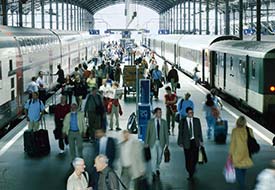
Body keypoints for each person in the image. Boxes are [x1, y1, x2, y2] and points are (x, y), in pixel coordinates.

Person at [177, 107, 203, 181]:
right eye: (190, 113)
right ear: (187, 113)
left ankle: (193, 168)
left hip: (195, 141)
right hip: (186, 142)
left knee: (195, 157)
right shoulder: (183, 121)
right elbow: (180, 133)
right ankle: (190, 171)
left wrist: (201, 140)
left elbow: (199, 131)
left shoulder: (197, 120)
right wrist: (180, 142)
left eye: (192, 113)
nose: (191, 114)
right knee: (188, 158)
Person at [229, 116, 254, 190]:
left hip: (237, 153)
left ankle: (242, 186)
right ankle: (242, 183)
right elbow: (252, 141)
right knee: (243, 169)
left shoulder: (235, 131)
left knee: (238, 170)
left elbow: (233, 144)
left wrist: (230, 154)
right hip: (247, 153)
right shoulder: (249, 130)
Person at [145, 107, 169, 180]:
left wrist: (167, 143)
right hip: (152, 142)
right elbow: (147, 133)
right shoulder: (150, 122)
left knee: (159, 157)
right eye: (159, 112)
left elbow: (166, 133)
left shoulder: (164, 122)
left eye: (161, 112)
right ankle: (154, 171)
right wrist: (146, 142)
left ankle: (157, 167)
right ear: (155, 113)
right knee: (154, 157)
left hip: (161, 142)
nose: (160, 114)